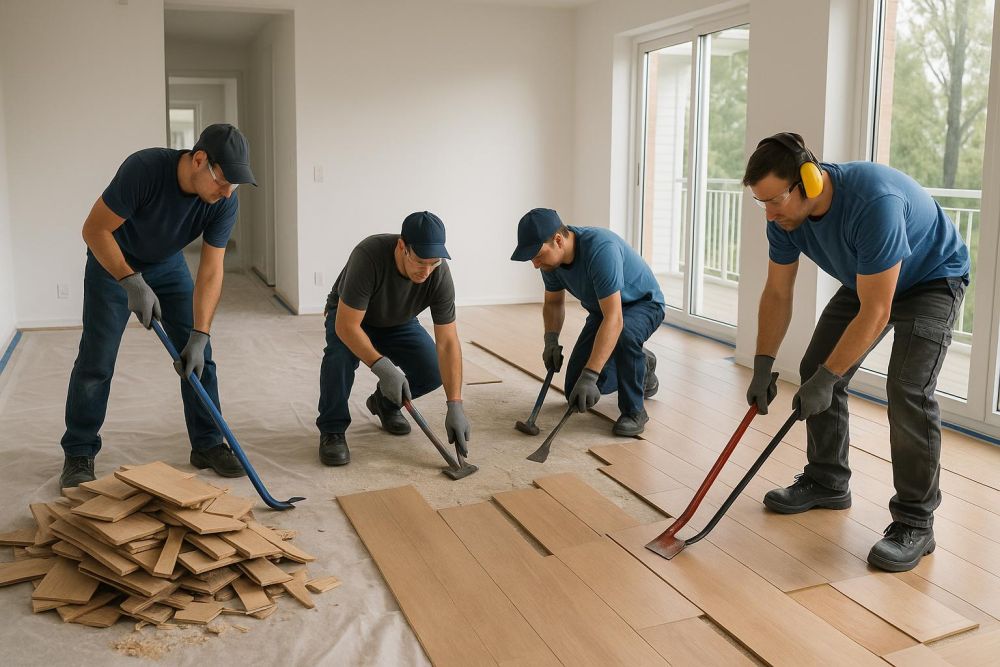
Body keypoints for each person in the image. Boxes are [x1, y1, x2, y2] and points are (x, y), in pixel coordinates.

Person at [743, 132, 970, 572]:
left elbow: (878, 309)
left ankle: (916, 523)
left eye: (774, 200)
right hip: (870, 279)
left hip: (931, 279)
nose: (769, 213)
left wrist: (829, 380)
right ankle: (827, 480)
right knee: (815, 366)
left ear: (807, 181)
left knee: (907, 389)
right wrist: (763, 365)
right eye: (761, 203)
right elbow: (777, 293)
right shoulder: (785, 221)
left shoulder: (872, 203)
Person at [59, 124, 257, 488]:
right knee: (96, 360)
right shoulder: (144, 170)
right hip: (113, 259)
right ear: (199, 160)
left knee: (200, 355)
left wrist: (200, 332)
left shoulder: (224, 201)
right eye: (223, 181)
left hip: (166, 263)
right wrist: (130, 280)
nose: (227, 192)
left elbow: (212, 270)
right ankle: (79, 451)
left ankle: (208, 443)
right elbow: (94, 230)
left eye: (234, 185)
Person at [316, 211, 470, 466]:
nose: (427, 271)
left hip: (398, 320)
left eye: (435, 263)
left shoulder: (438, 273)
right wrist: (383, 367)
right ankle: (332, 430)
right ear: (402, 247)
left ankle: (385, 403)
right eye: (421, 262)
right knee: (339, 358)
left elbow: (448, 342)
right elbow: (346, 326)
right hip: (351, 317)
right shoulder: (369, 255)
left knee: (432, 370)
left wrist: (455, 404)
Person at [511, 208, 665, 436]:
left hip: (641, 304)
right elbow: (554, 303)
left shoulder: (601, 250)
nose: (535, 263)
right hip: (603, 311)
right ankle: (639, 364)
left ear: (558, 240)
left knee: (624, 337)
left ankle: (634, 412)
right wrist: (550, 341)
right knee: (576, 392)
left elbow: (615, 318)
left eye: (538, 255)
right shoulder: (550, 263)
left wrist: (591, 374)